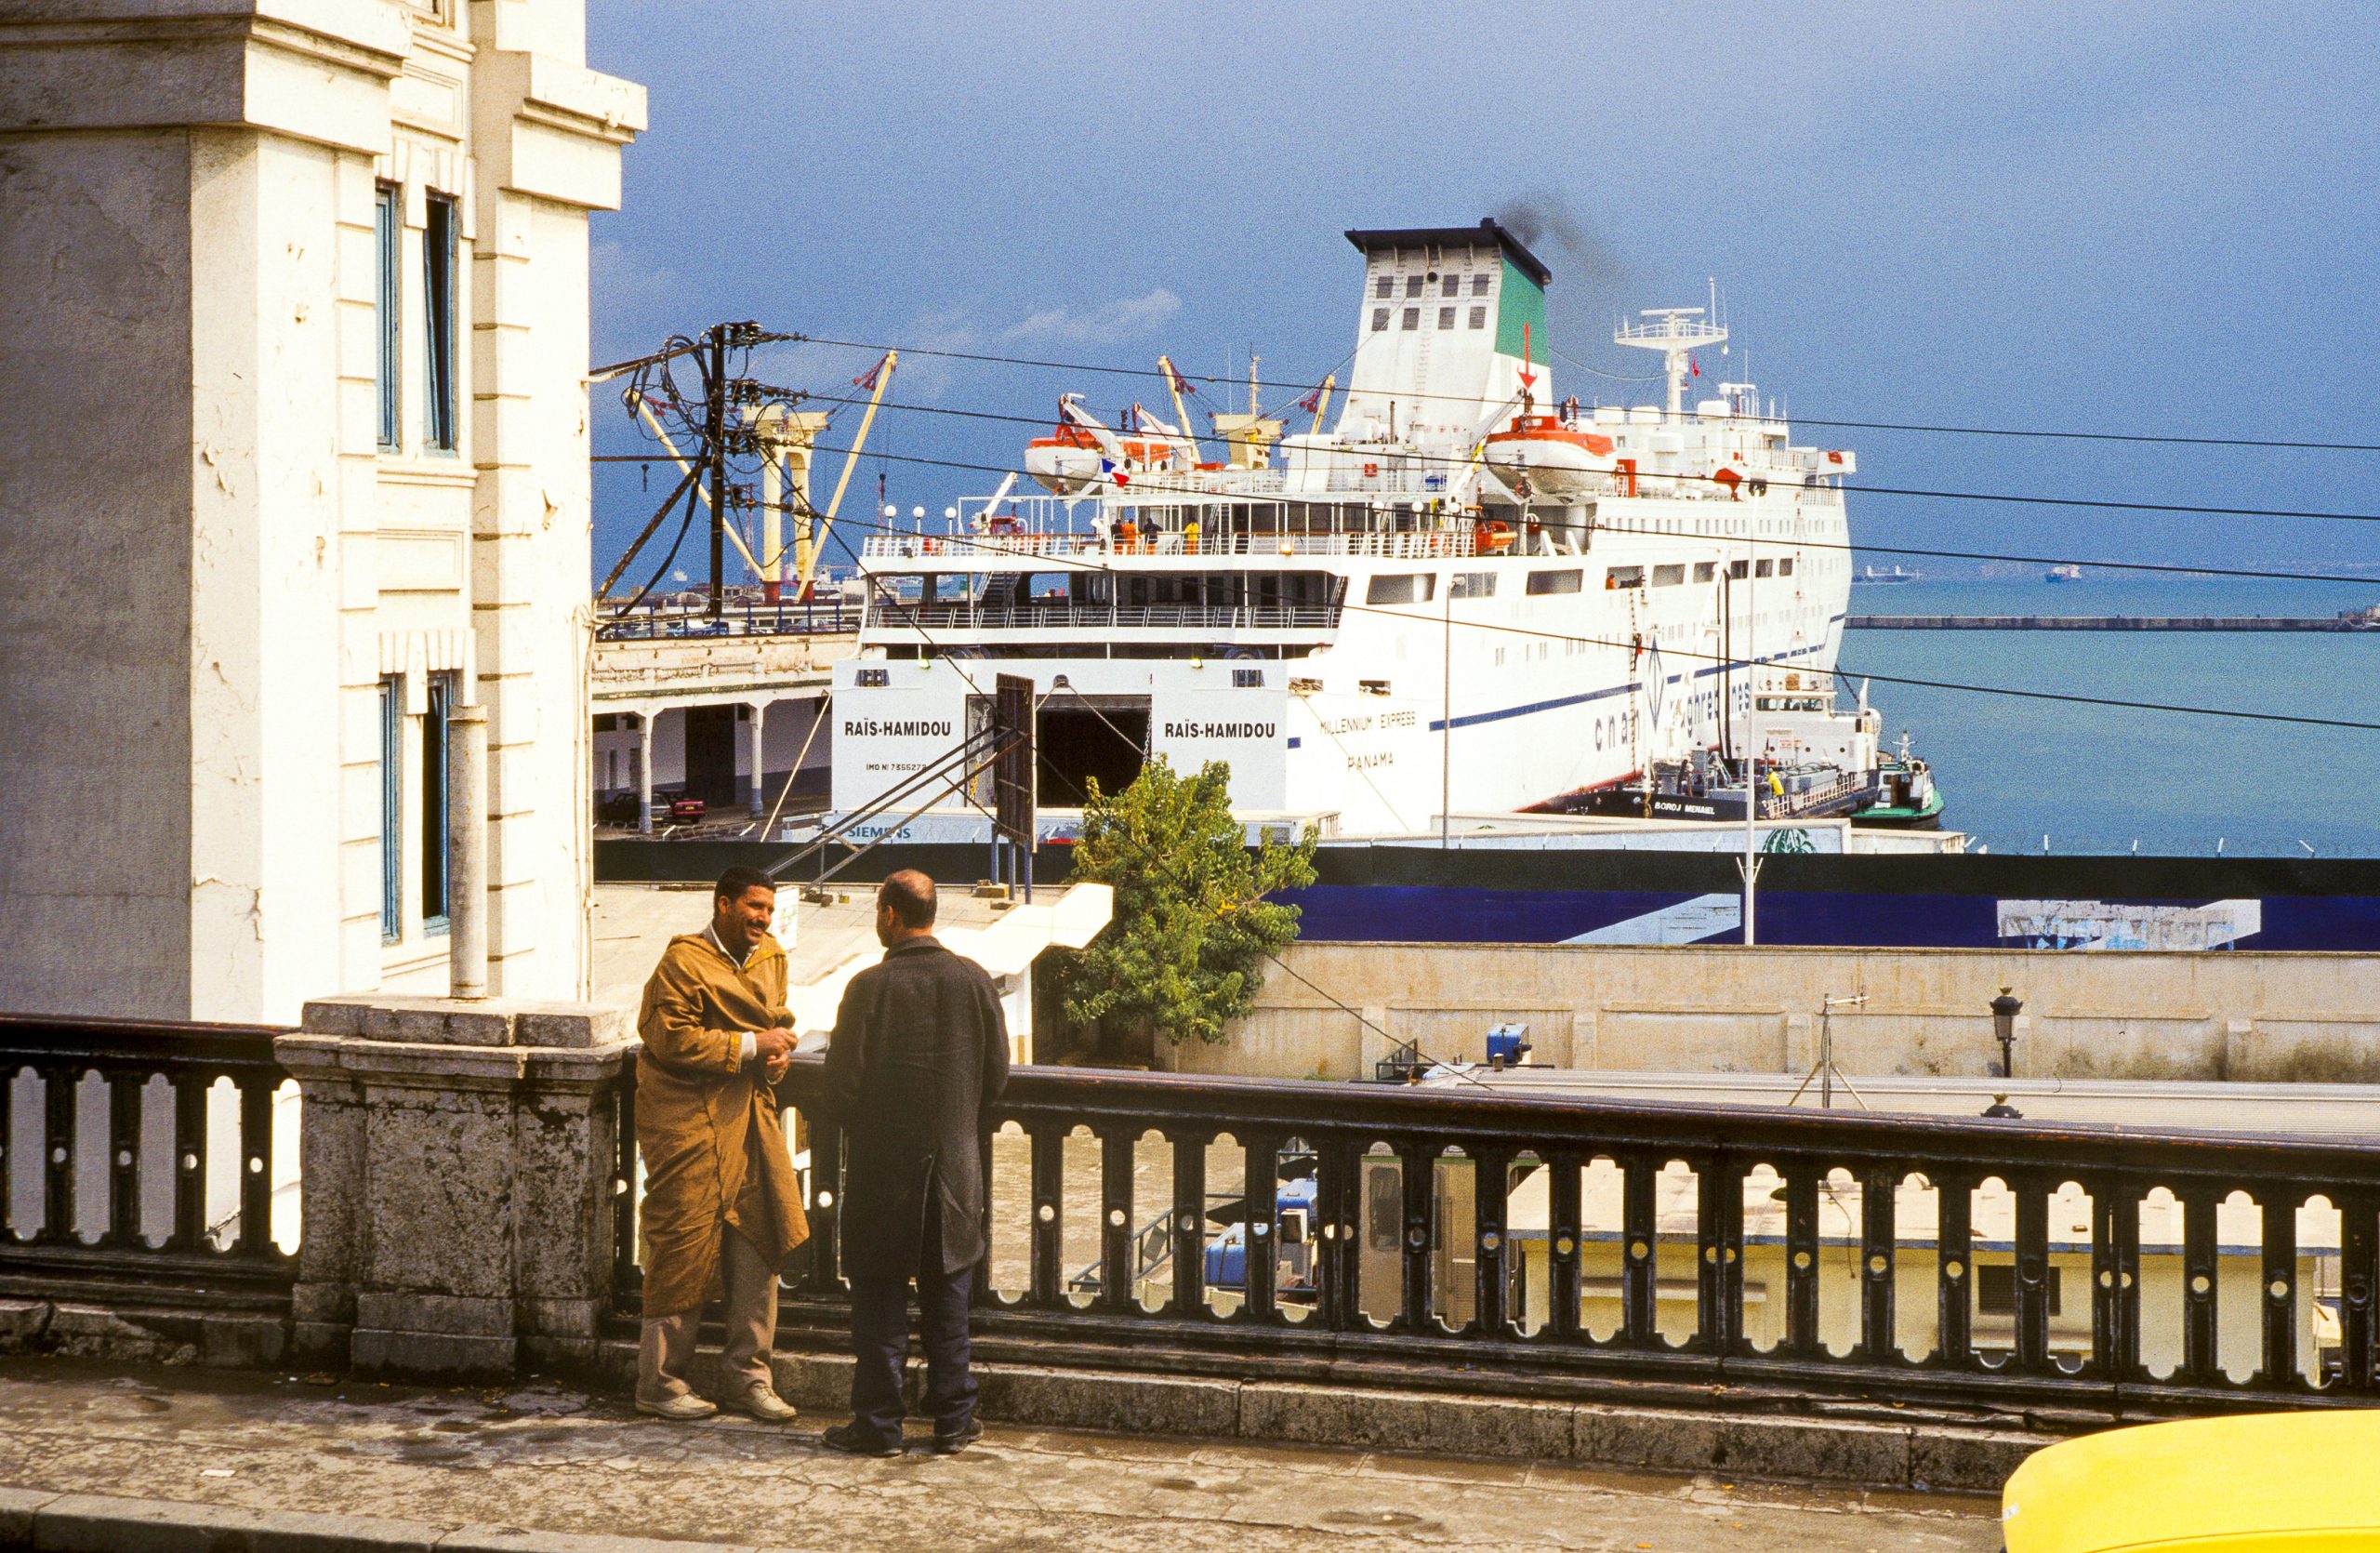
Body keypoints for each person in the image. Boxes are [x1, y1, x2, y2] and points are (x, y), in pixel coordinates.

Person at [817, 870, 1010, 1456]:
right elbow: (996, 1078)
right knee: (948, 1302)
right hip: (956, 1172)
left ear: (890, 915)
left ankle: (878, 1426)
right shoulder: (974, 980)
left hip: (883, 1175)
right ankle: (954, 1421)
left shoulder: (868, 987)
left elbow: (840, 1088)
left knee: (879, 1303)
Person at [632, 865, 810, 1423]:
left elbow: (777, 1020)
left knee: (761, 1238)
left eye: (769, 909)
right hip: (687, 1119)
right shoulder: (683, 962)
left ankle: (748, 1379)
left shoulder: (771, 957)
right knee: (682, 1242)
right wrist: (754, 1045)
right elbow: (669, 1038)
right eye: (754, 906)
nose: (763, 918)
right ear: (724, 904)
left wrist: (776, 1059)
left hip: (748, 1118)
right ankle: (660, 1384)